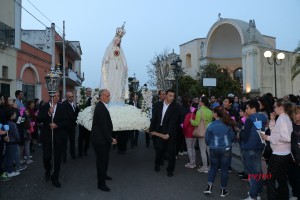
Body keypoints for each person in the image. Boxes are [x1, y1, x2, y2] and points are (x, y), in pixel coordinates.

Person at [260, 98, 293, 199]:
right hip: (284, 153)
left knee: (270, 180)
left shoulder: (283, 119)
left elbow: (286, 138)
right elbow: (276, 132)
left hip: (279, 154)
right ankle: (284, 197)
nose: (273, 108)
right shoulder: (284, 117)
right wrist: (273, 119)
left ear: (281, 107)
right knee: (281, 179)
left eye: (275, 106)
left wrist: (268, 138)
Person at [37, 91, 68, 188]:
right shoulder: (44, 107)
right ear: (51, 96)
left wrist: (57, 125)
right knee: (47, 157)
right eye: (56, 96)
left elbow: (66, 121)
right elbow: (39, 119)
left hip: (58, 136)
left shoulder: (62, 107)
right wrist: (48, 113)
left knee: (57, 158)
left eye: (59, 96)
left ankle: (55, 178)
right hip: (46, 137)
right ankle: (47, 169)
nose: (58, 97)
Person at [203, 106, 236, 197]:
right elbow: (232, 137)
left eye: (213, 112)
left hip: (213, 148)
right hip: (226, 149)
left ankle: (209, 188)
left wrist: (210, 144)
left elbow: (207, 139)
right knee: (224, 169)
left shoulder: (210, 125)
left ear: (215, 114)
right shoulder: (228, 124)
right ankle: (223, 190)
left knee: (213, 167)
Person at [239, 100, 267, 200]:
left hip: (249, 147)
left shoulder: (249, 119)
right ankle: (257, 192)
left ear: (253, 108)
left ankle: (253, 195)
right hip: (259, 147)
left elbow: (245, 136)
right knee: (257, 171)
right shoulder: (263, 118)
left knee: (252, 173)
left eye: (247, 108)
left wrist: (241, 131)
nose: (246, 110)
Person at [149, 89, 180, 177]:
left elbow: (173, 121)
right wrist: (151, 130)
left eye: (173, 96)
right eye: (170, 96)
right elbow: (154, 119)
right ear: (165, 95)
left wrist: (168, 134)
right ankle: (157, 164)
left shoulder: (176, 106)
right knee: (159, 150)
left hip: (170, 132)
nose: (172, 98)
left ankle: (170, 170)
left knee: (171, 152)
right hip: (159, 130)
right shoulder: (157, 105)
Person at [91, 89, 117, 192]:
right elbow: (103, 126)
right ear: (101, 97)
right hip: (100, 140)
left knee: (104, 160)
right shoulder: (100, 107)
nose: (108, 97)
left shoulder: (102, 106)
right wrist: (110, 139)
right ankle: (101, 184)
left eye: (109, 96)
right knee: (101, 162)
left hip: (101, 139)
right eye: (107, 96)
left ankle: (104, 175)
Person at [100, 23, 128, 104]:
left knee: (118, 82)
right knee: (111, 81)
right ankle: (111, 97)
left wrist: (125, 66)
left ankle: (117, 97)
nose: (117, 41)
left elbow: (123, 59)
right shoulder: (110, 48)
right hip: (111, 67)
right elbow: (105, 57)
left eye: (118, 40)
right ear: (113, 40)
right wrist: (106, 60)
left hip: (118, 68)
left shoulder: (120, 50)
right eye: (116, 40)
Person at [191, 96, 213, 173]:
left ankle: (204, 167)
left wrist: (191, 121)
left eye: (200, 101)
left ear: (202, 102)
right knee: (209, 150)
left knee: (203, 151)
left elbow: (196, 123)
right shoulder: (210, 111)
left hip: (202, 133)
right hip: (209, 132)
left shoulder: (199, 111)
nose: (199, 102)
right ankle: (211, 166)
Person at [62, 92, 79, 160]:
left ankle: (73, 154)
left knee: (72, 141)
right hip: (66, 127)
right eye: (70, 97)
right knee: (64, 142)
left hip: (72, 126)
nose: (71, 98)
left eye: (72, 96)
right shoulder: (64, 104)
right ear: (66, 97)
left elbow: (76, 112)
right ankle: (64, 157)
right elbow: (69, 115)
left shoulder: (74, 104)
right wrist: (77, 119)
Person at [288, 105, 300, 200]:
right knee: (292, 177)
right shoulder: (290, 125)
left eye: (298, 113)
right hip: (291, 156)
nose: (296, 115)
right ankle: (296, 194)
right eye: (295, 113)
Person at [78, 87, 92, 157]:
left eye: (90, 91)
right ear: (85, 92)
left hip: (88, 122)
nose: (89, 92)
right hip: (81, 122)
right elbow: (78, 109)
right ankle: (80, 152)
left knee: (87, 138)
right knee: (80, 138)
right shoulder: (81, 99)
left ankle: (85, 150)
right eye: (88, 91)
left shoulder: (92, 100)